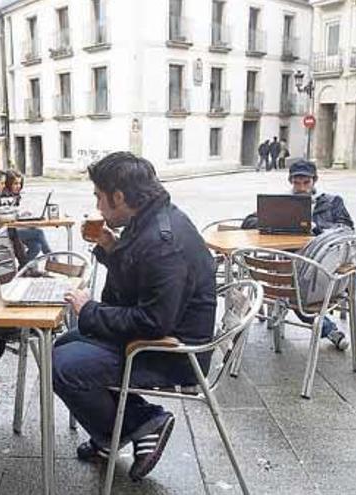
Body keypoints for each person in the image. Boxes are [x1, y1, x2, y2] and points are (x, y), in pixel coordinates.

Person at [53, 152, 217, 480]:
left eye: (99, 197)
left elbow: (154, 322)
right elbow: (143, 282)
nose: (98, 206)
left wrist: (89, 309)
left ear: (119, 196)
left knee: (65, 366)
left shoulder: (162, 241)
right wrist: (113, 249)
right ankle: (116, 431)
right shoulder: (149, 220)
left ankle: (138, 425)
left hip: (171, 352)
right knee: (62, 345)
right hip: (158, 336)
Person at [241, 160, 356, 379]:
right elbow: (248, 222)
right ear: (290, 181)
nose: (301, 187)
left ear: (314, 181)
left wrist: (316, 227)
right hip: (302, 266)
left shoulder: (332, 202)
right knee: (293, 293)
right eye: (297, 182)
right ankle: (330, 330)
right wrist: (276, 220)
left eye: (306, 181)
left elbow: (347, 229)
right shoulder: (282, 202)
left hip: (336, 264)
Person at [2, 169, 51, 261]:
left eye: (20, 183)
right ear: (8, 184)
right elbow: (7, 215)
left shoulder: (16, 196)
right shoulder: (5, 197)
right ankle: (53, 261)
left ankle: (24, 270)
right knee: (38, 233)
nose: (18, 186)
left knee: (36, 246)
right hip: (8, 232)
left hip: (15, 229)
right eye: (15, 184)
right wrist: (18, 215)